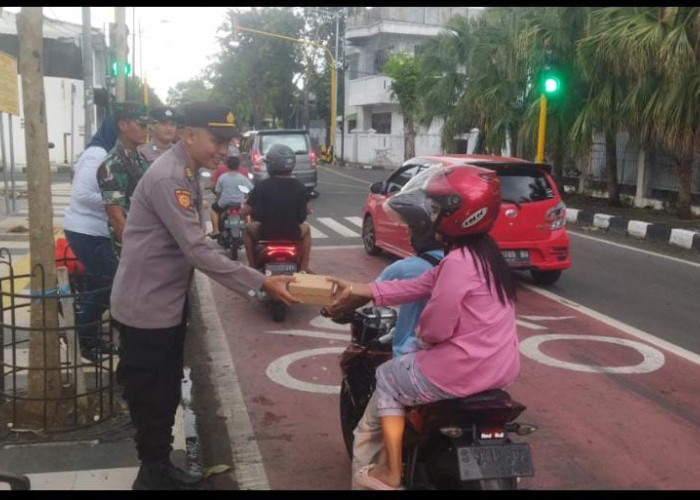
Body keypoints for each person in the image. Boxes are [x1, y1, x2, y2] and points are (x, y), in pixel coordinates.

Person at [109, 101, 300, 490]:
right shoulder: (170, 177)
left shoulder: (187, 170)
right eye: (218, 139)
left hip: (164, 301)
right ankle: (152, 475)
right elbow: (196, 250)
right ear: (189, 134)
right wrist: (261, 282)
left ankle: (157, 468)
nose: (225, 149)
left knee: (163, 392)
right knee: (152, 394)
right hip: (146, 306)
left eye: (229, 141)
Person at [327, 165, 520, 490]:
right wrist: (362, 290)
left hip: (461, 369)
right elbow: (421, 284)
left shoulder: (458, 263)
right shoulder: (486, 256)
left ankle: (390, 472)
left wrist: (421, 336)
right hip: (500, 368)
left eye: (436, 207)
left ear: (457, 214)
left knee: (387, 378)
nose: (430, 214)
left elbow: (436, 328)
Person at [349, 188, 444, 487]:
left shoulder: (407, 268)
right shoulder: (472, 266)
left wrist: (337, 307)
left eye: (412, 229)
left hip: (419, 368)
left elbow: (368, 294)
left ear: (420, 233)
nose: (410, 235)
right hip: (473, 373)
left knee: (367, 433)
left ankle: (383, 476)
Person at [63, 115, 120, 362]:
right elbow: (82, 193)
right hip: (85, 230)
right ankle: (83, 340)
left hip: (94, 230)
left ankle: (86, 334)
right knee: (106, 283)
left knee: (96, 284)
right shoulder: (97, 155)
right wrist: (116, 202)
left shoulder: (104, 152)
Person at [242, 144, 313, 272]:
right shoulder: (300, 187)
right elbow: (305, 213)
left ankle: (252, 267)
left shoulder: (261, 186)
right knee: (307, 230)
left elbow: (246, 210)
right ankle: (304, 267)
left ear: (271, 165)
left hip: (266, 233)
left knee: (247, 230)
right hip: (293, 234)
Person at [96, 101, 150, 258]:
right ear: (123, 125)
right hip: (133, 246)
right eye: (141, 125)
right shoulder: (113, 163)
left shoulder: (139, 158)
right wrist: (134, 254)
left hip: (147, 239)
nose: (146, 130)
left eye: (147, 126)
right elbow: (116, 216)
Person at [209, 148, 252, 239]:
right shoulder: (243, 177)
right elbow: (250, 191)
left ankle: (216, 230)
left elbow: (218, 192)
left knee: (214, 210)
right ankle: (247, 228)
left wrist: (218, 199)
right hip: (240, 203)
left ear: (227, 164)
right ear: (238, 165)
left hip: (224, 203)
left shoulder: (222, 177)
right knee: (247, 214)